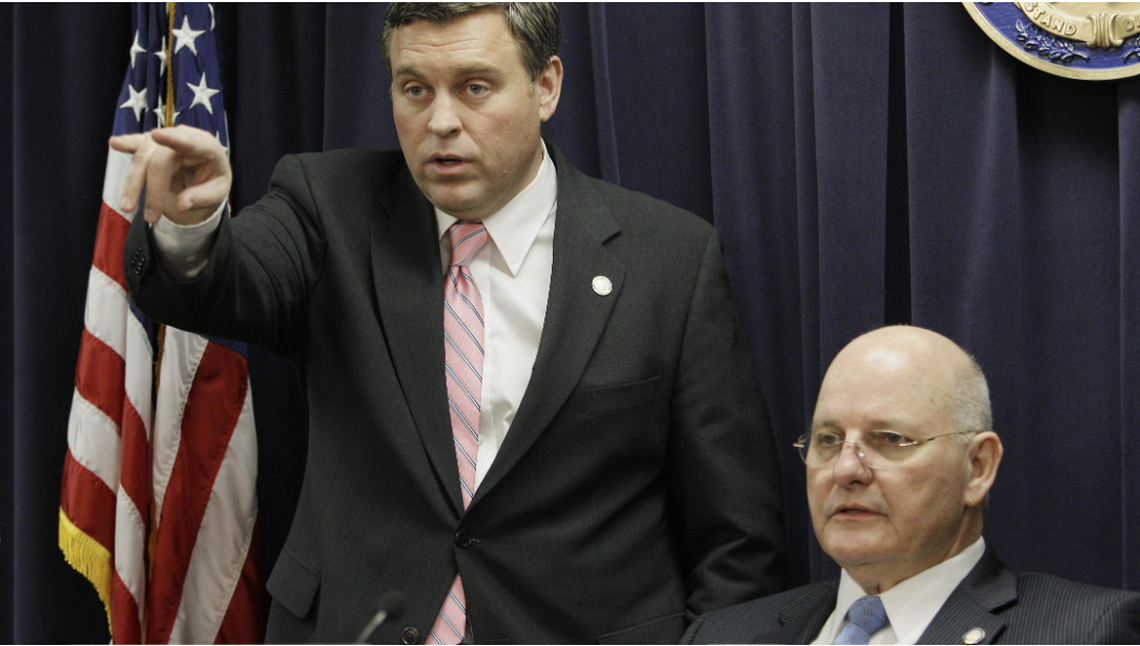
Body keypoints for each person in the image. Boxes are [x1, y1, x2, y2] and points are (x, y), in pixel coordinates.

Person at [111, 3, 786, 644]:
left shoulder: (670, 260)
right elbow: (226, 284)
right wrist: (192, 228)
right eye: (415, 90)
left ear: (546, 86)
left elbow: (736, 540)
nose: (440, 121)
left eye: (474, 88)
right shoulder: (327, 208)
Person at [683, 325, 1140, 644]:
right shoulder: (719, 636)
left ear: (977, 467)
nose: (845, 470)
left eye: (890, 439)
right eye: (828, 440)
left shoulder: (1084, 632)